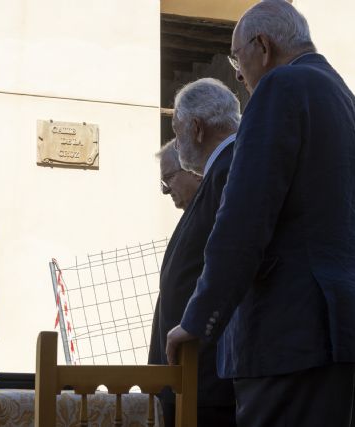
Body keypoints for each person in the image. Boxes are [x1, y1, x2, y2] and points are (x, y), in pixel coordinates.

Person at [165, 2, 355, 426]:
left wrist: (197, 319)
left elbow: (242, 222)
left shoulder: (279, 88)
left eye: (237, 57)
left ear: (262, 47)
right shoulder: (348, 103)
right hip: (353, 336)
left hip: (291, 340)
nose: (237, 73)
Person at [149, 78, 239, 427]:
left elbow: (231, 256)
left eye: (168, 178)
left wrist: (195, 323)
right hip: (187, 377)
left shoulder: (226, 173)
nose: (165, 190)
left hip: (206, 379)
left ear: (196, 128)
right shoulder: (218, 179)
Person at [157, 138, 202, 211]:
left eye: (169, 178)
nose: (165, 190)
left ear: (195, 172)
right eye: (163, 182)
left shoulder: (219, 212)